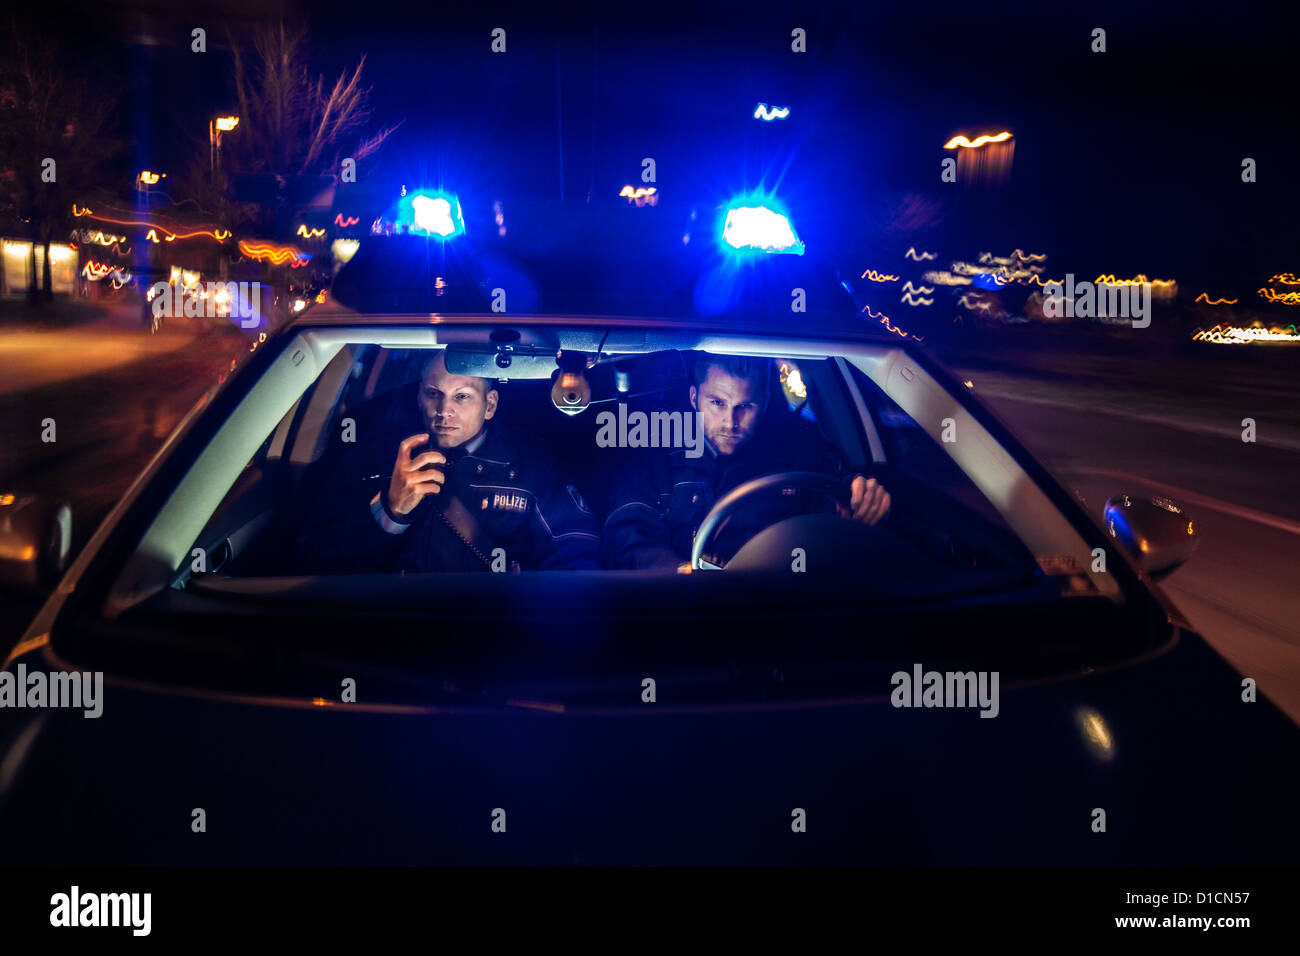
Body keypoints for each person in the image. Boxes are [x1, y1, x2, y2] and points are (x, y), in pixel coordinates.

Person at [297, 350, 601, 573]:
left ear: (490, 405)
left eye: (462, 397)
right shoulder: (373, 458)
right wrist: (389, 511)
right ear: (418, 397)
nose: (444, 410)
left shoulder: (532, 467)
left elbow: (576, 552)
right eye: (433, 394)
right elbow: (319, 555)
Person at [603, 353, 891, 571]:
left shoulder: (798, 451)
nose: (731, 422)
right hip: (680, 611)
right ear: (694, 398)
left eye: (745, 406)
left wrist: (861, 494)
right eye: (717, 403)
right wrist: (675, 572)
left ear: (764, 401)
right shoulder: (656, 452)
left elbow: (838, 497)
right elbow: (626, 529)